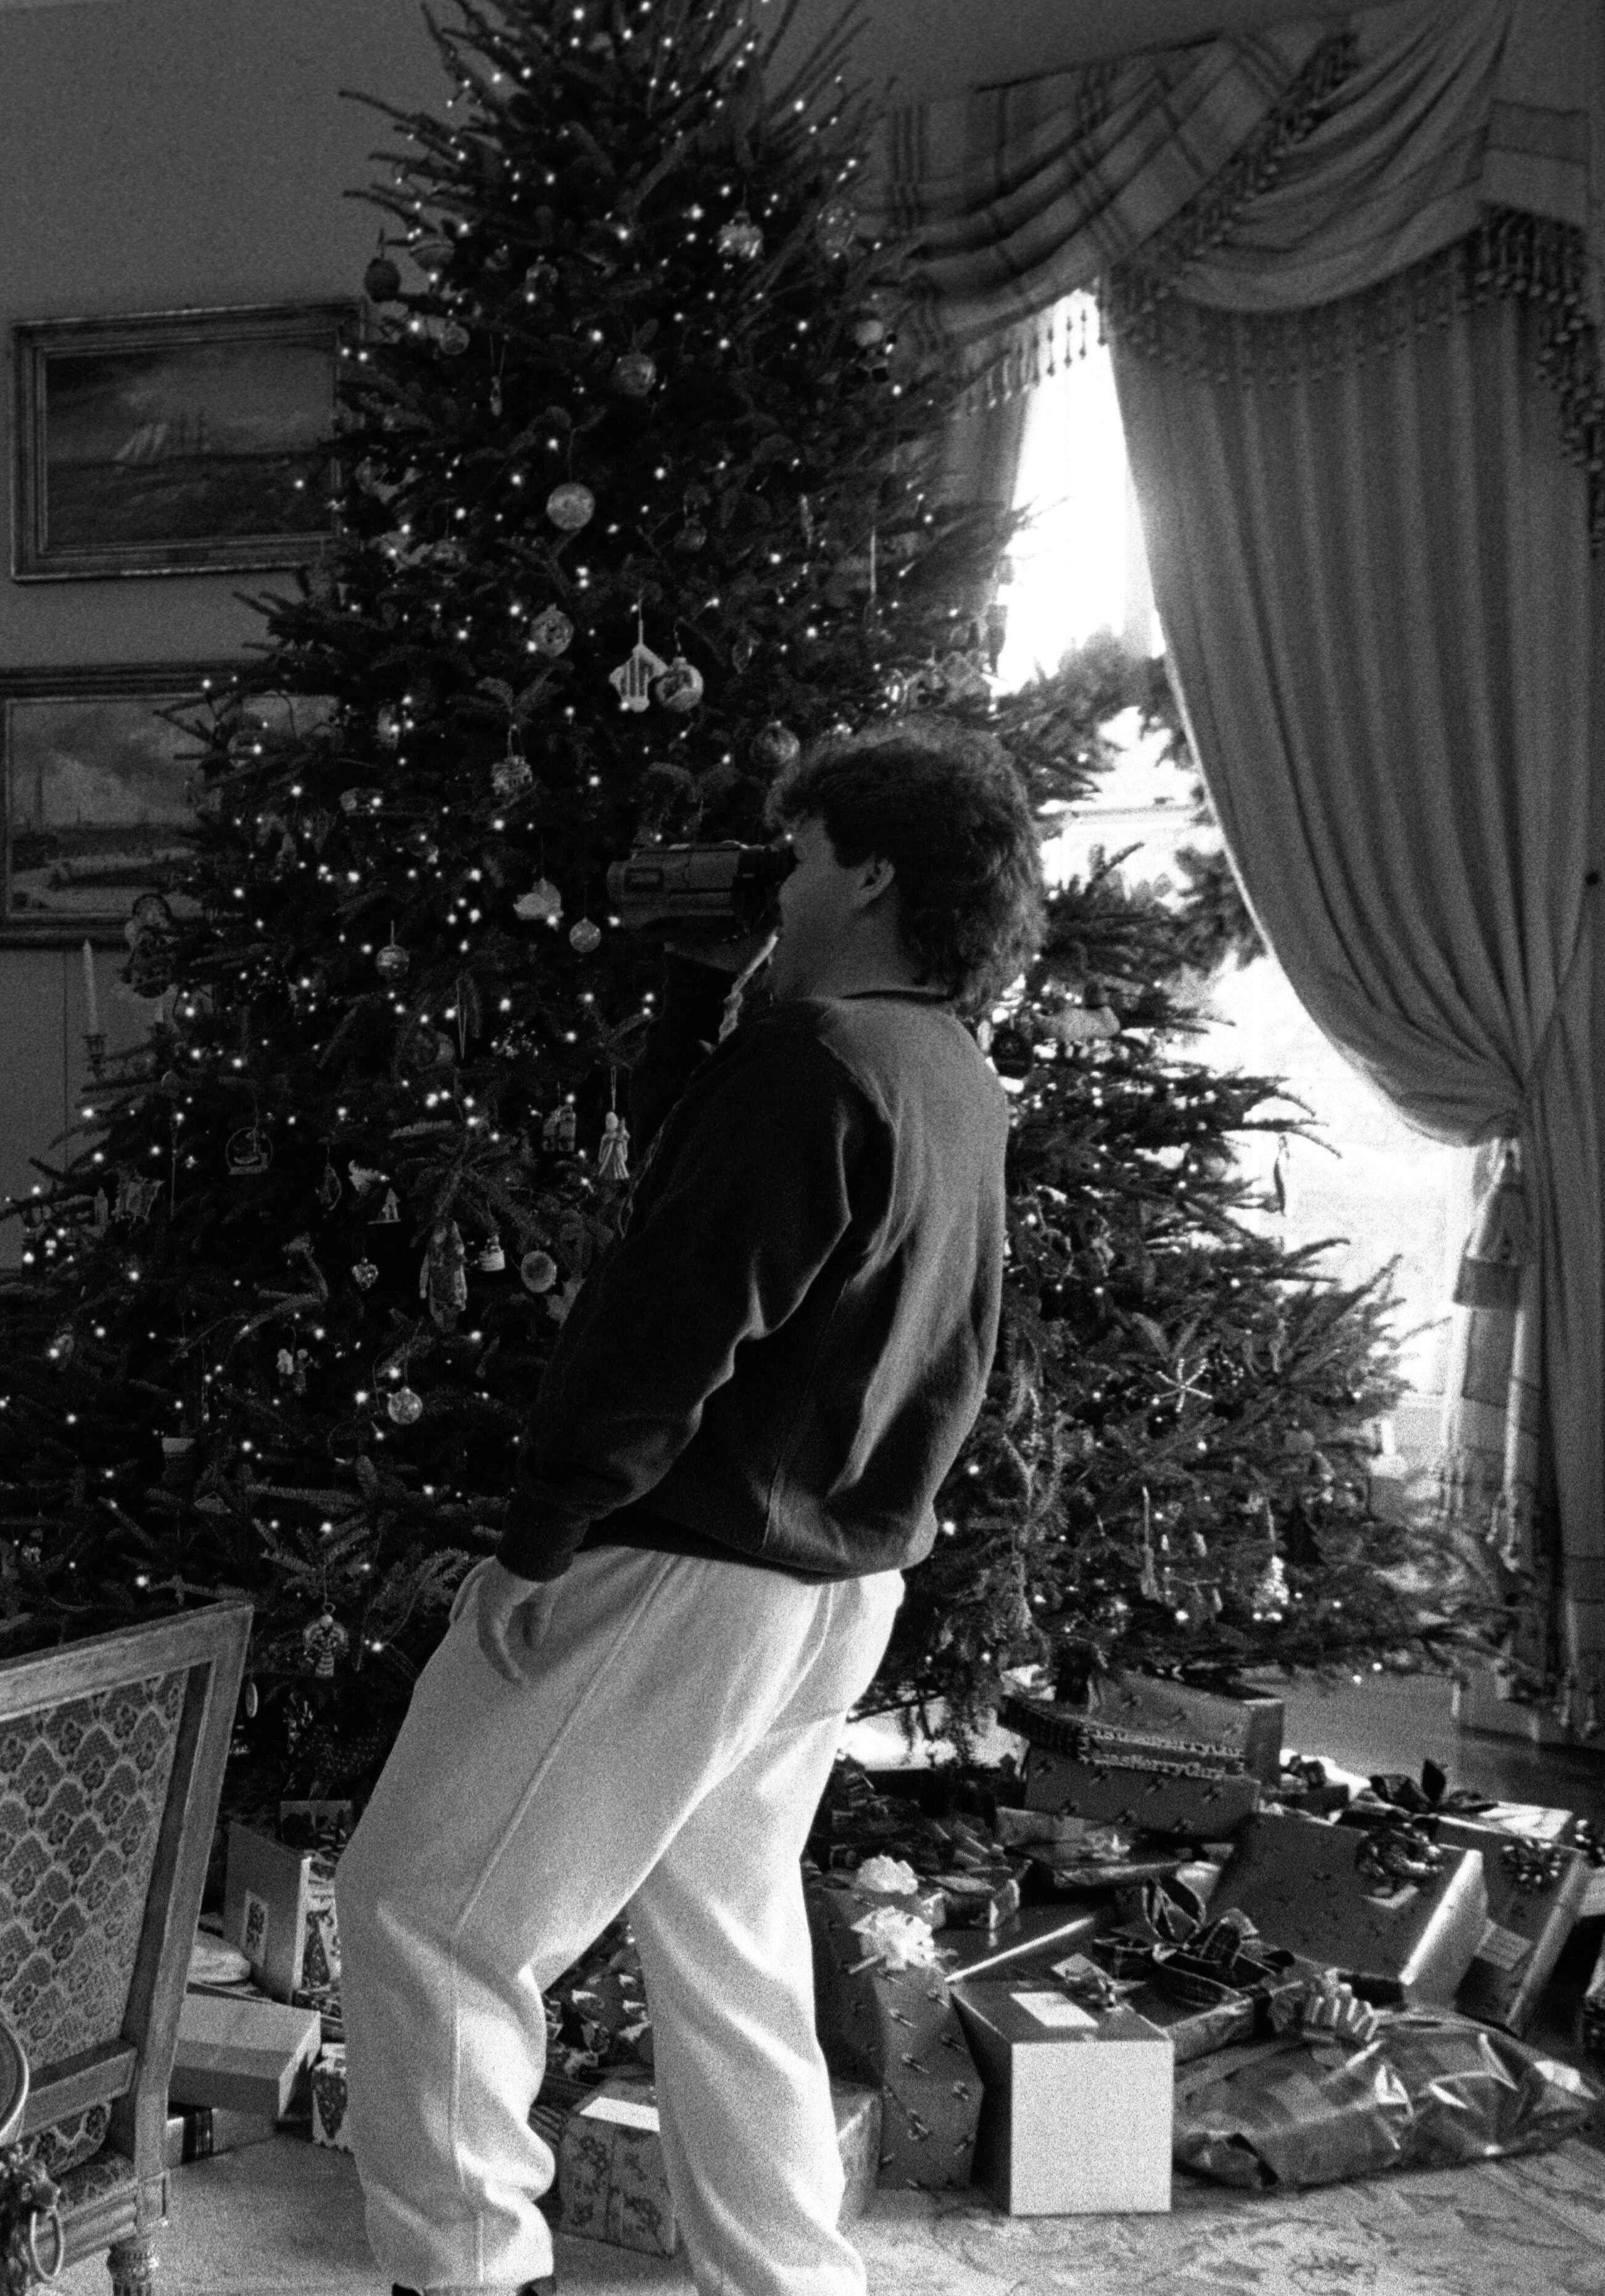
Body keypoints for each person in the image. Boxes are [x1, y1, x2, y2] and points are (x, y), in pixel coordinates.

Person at [335, 723, 1044, 2296]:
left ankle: (466, 2274)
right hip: (834, 1586)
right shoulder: (943, 1071)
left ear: (871, 871)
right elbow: (709, 1194)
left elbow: (669, 1316)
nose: (775, 882)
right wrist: (694, 1000)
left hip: (686, 1562)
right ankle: (790, 2277)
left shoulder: (812, 1064)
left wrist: (539, 1539)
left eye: (800, 854)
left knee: (423, 1914)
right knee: (727, 1939)